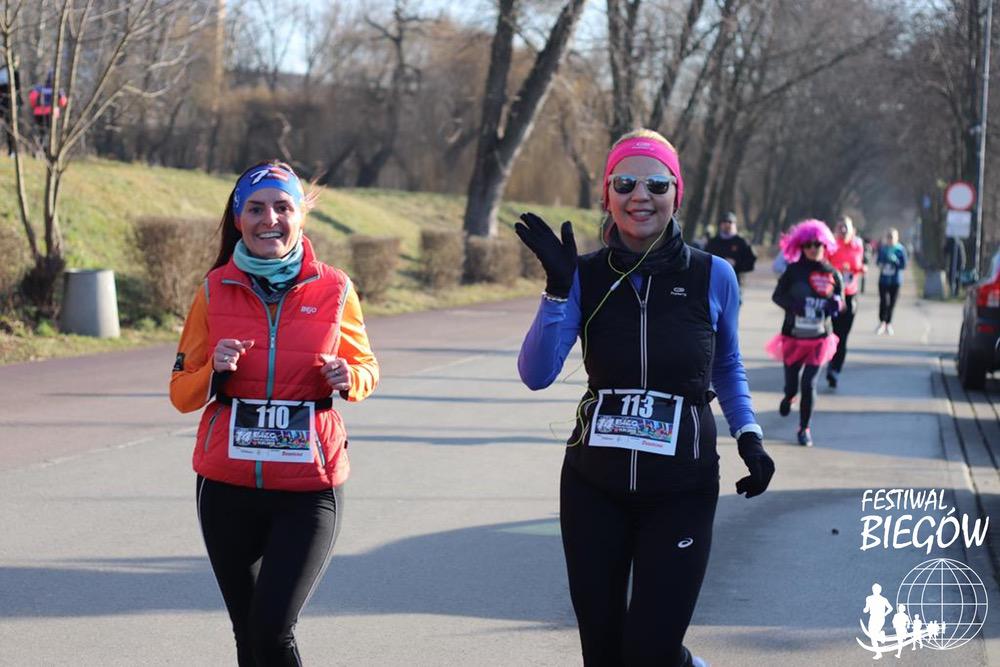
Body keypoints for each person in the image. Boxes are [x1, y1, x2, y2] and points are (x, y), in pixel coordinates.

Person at [515, 129, 773, 667]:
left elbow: (726, 365)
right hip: (593, 487)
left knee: (651, 653)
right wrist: (558, 291)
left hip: (681, 488)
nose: (641, 196)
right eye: (625, 183)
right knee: (603, 654)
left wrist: (749, 436)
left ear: (677, 193)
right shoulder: (584, 275)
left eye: (656, 184)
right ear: (607, 195)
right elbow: (536, 374)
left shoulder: (713, 275)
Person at [170, 160, 380, 665]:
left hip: (308, 487)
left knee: (271, 632)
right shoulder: (213, 289)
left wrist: (349, 377)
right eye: (256, 208)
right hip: (227, 486)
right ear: (238, 219)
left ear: (301, 216)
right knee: (249, 637)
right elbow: (181, 392)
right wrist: (215, 370)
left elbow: (366, 366)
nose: (270, 219)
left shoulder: (335, 289)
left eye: (283, 207)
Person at [766, 219, 843, 447]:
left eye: (817, 244)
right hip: (794, 336)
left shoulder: (832, 273)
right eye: (808, 244)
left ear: (825, 245)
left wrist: (836, 305)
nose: (812, 248)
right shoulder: (793, 270)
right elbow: (777, 296)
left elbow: (841, 302)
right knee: (792, 384)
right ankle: (789, 396)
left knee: (809, 384)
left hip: (819, 338)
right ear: (801, 246)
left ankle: (804, 428)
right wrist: (794, 306)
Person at [826, 215, 866, 388]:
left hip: (850, 295)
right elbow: (823, 265)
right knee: (831, 333)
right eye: (840, 227)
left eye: (846, 227)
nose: (843, 230)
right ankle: (829, 361)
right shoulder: (831, 246)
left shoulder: (858, 247)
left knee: (843, 336)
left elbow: (860, 266)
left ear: (852, 230)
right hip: (832, 295)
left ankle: (835, 369)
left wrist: (858, 268)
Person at [705, 211, 757, 293]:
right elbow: (705, 260)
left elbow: (751, 262)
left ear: (735, 224)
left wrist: (736, 264)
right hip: (714, 282)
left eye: (730, 222)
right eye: (724, 222)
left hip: (735, 282)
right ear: (720, 225)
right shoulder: (713, 242)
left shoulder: (742, 242)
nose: (727, 224)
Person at [876, 228, 907, 335]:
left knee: (892, 303)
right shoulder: (883, 249)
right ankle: (882, 322)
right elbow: (878, 262)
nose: (890, 239)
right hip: (883, 280)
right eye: (888, 237)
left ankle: (888, 323)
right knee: (884, 301)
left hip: (895, 281)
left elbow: (904, 265)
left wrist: (896, 261)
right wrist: (883, 263)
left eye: (892, 237)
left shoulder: (900, 250)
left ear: (897, 238)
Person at [27, 71, 66, 146]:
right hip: (52, 113)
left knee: (41, 131)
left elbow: (32, 98)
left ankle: (40, 146)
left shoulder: (39, 88)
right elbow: (63, 102)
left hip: (39, 113)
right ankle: (47, 147)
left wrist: (35, 107)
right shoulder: (58, 90)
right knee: (50, 132)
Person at [0, 58, 21, 156]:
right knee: (11, 126)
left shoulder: (2, 70)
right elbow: (18, 88)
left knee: (9, 126)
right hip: (10, 103)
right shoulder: (14, 72)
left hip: (3, 102)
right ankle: (12, 150)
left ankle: (11, 150)